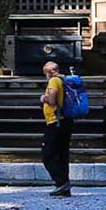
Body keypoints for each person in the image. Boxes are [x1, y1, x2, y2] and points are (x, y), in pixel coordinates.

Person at [40, 60, 72, 197]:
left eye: (45, 73)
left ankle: (61, 182)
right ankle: (65, 186)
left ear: (49, 72)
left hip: (56, 122)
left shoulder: (54, 81)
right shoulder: (64, 80)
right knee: (62, 154)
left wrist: (43, 99)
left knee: (47, 155)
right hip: (66, 121)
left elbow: (52, 100)